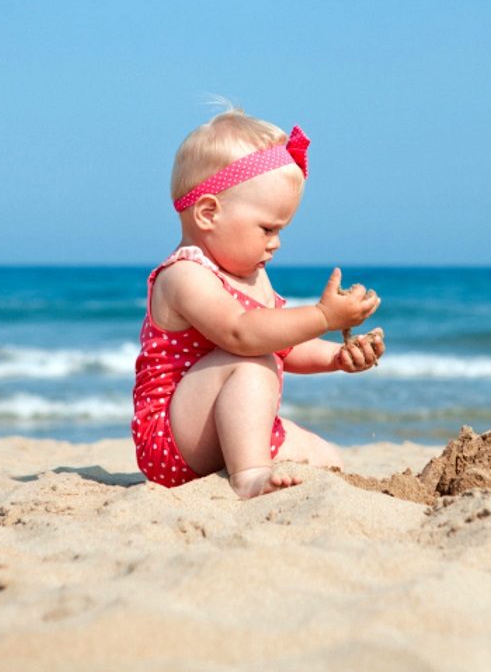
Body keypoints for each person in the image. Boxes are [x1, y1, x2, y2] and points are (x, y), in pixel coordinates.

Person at [131, 107, 384, 499]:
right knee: (252, 359)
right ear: (209, 213)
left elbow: (283, 342)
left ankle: (253, 461)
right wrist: (322, 316)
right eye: (267, 228)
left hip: (229, 424)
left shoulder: (253, 274)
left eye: (280, 229)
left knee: (327, 457)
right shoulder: (184, 276)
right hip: (175, 439)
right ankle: (248, 477)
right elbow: (244, 334)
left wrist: (338, 357)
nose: (276, 242)